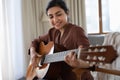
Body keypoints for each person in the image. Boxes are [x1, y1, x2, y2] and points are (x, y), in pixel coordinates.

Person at [26, 0, 94, 80]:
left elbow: (90, 61)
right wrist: (33, 54)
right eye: (51, 17)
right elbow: (35, 42)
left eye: (58, 14)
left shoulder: (77, 31)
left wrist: (78, 63)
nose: (55, 20)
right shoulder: (52, 32)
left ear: (67, 13)